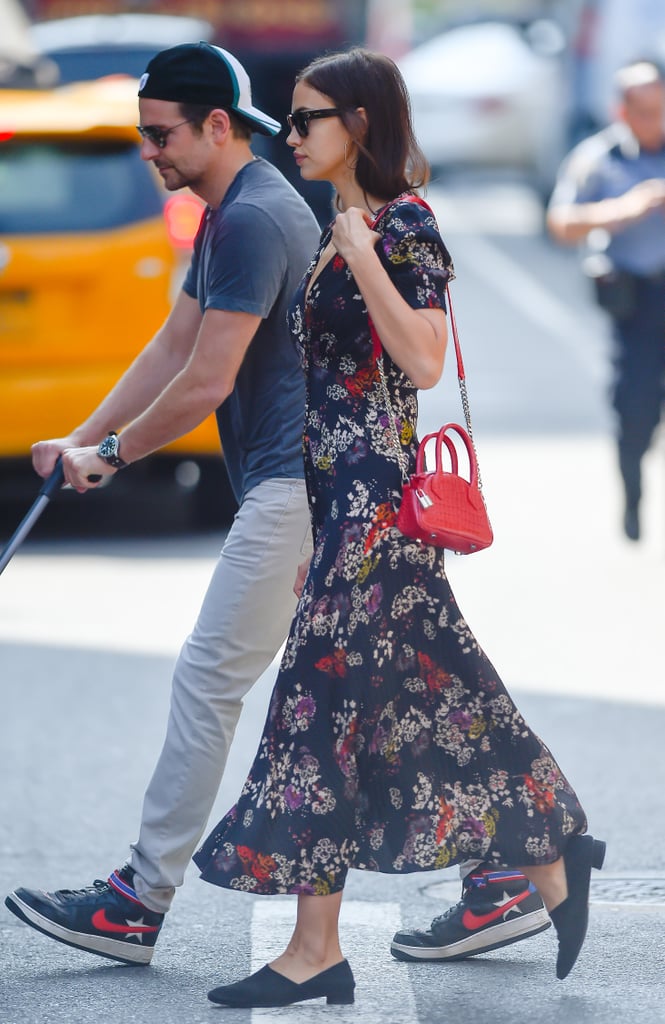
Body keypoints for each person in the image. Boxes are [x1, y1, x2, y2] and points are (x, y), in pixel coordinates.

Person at [192, 47, 606, 1009]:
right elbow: (329, 398)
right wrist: (315, 534)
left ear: (360, 124)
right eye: (289, 122)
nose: (289, 136)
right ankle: (551, 860)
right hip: (343, 512)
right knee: (446, 703)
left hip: (380, 510)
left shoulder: (402, 225)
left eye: (305, 119)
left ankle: (314, 949)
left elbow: (421, 361)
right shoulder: (339, 232)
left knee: (316, 713)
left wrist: (368, 249)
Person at [4, 41, 322, 965]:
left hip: (293, 485)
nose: (150, 153)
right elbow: (170, 346)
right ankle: (509, 871)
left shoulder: (256, 217)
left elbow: (204, 384)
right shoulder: (228, 213)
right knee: (359, 695)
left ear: (216, 126)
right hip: (290, 482)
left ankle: (136, 904)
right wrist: (78, 436)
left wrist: (109, 456)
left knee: (212, 681)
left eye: (160, 136)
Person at [547, 59, 665, 542]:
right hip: (635, 303)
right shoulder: (598, 157)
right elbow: (560, 223)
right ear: (623, 110)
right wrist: (623, 210)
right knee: (636, 409)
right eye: (644, 111)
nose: (655, 122)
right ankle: (633, 497)